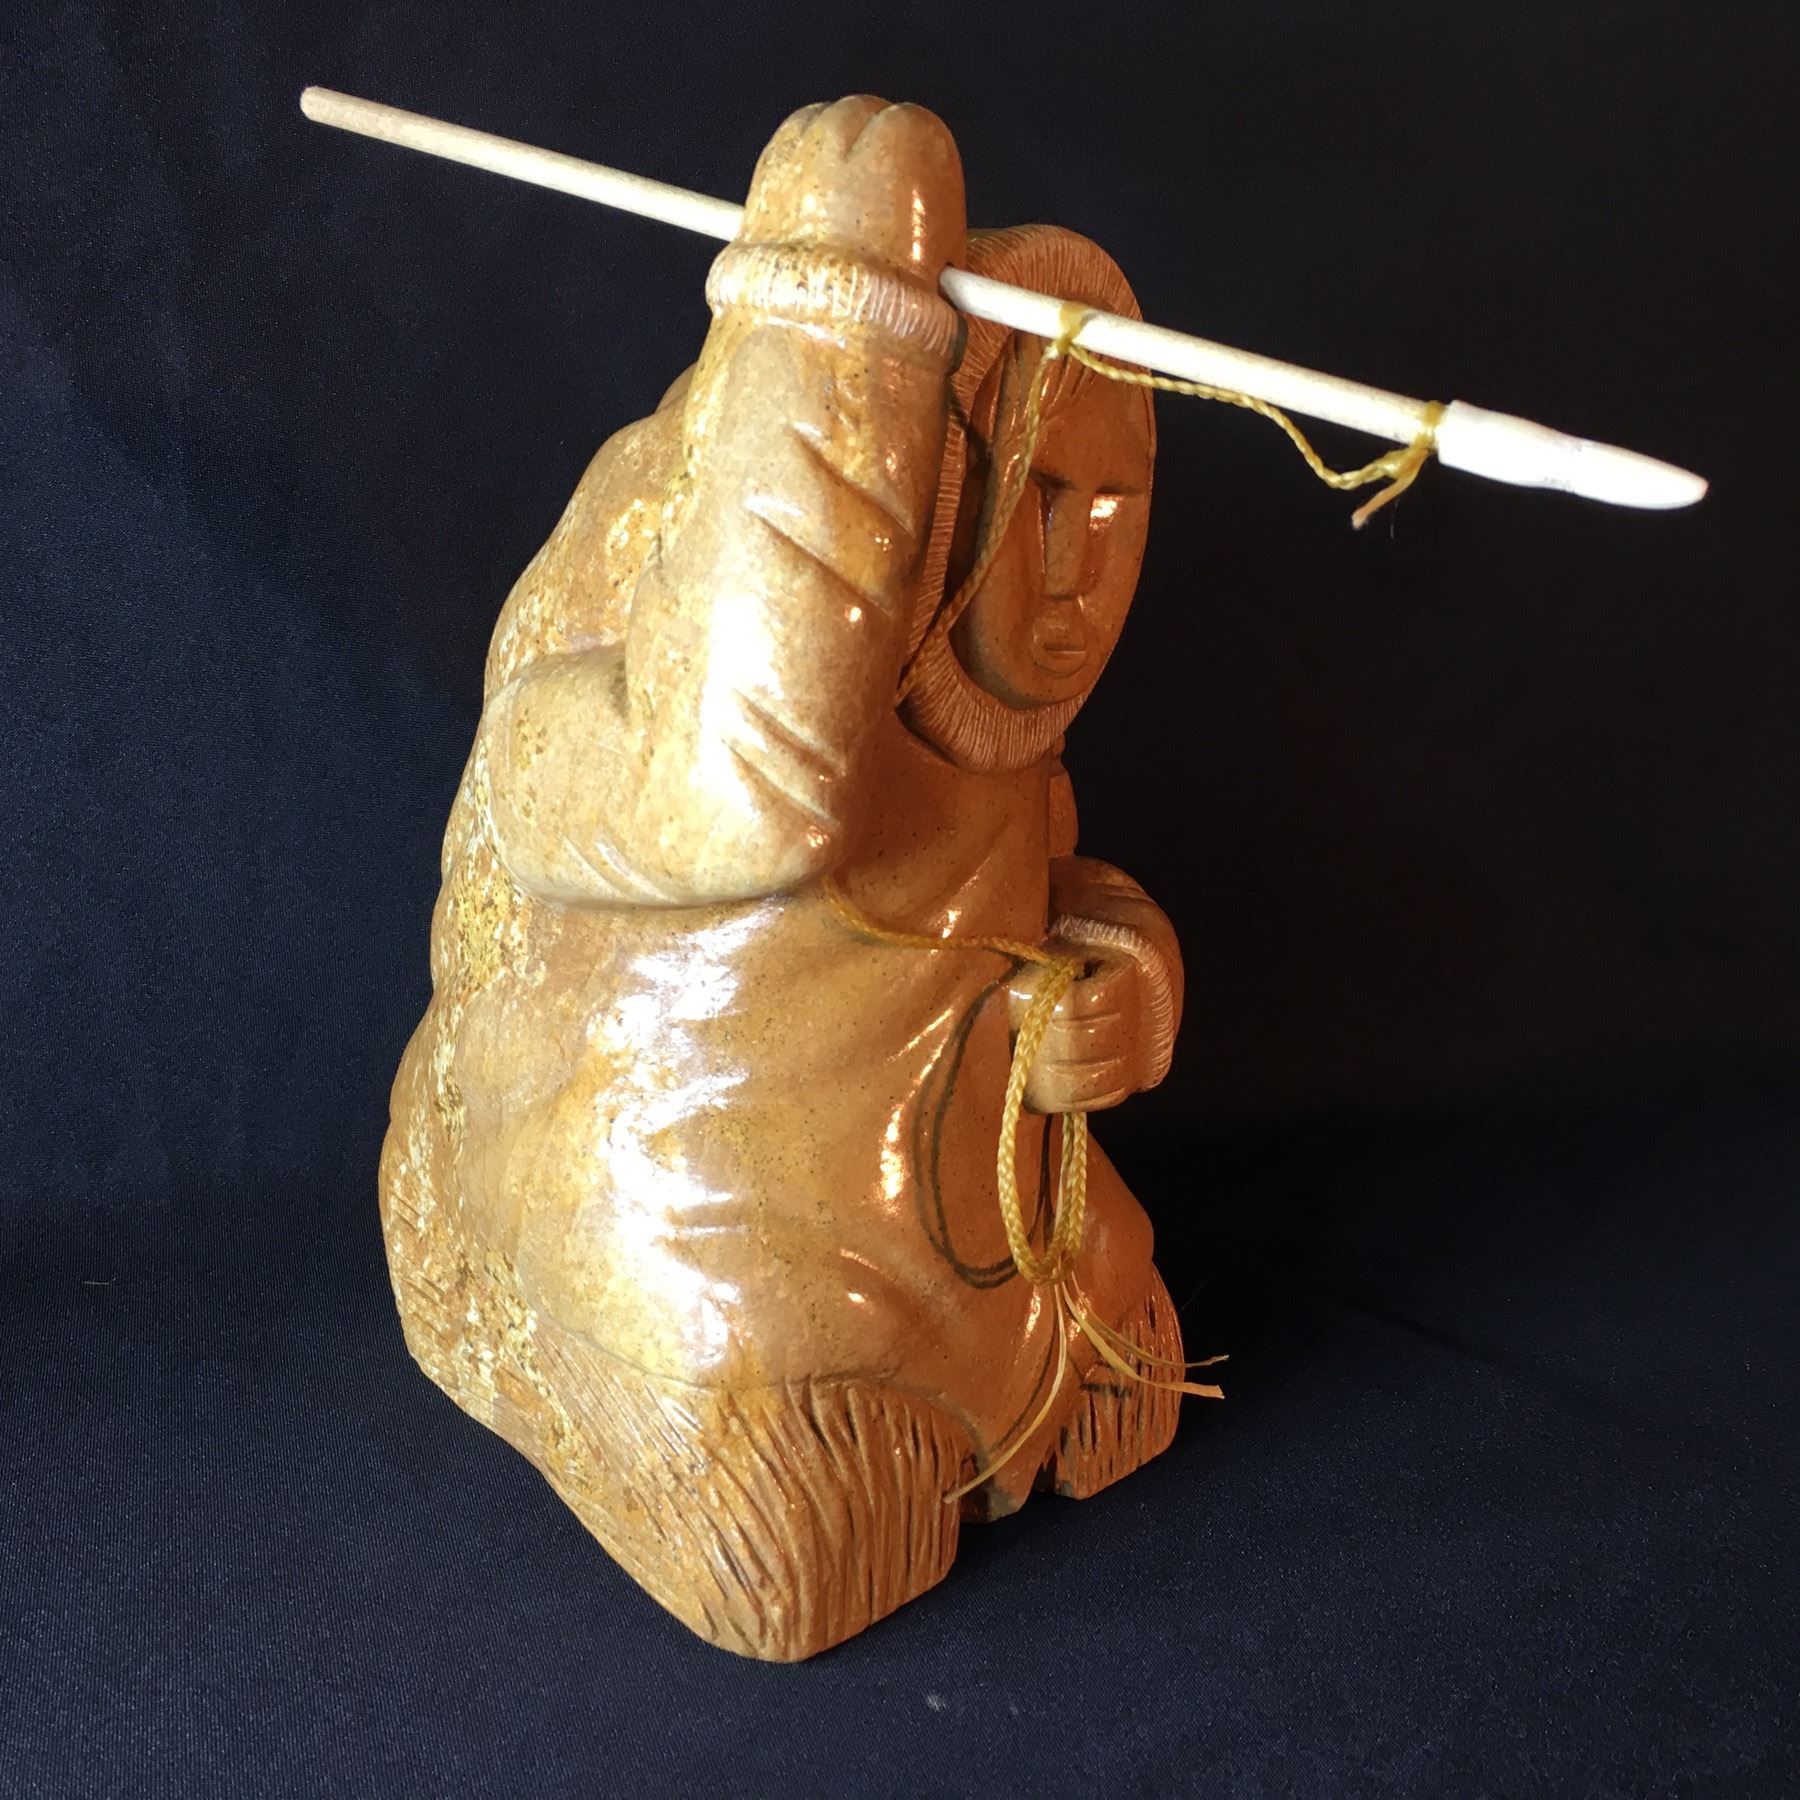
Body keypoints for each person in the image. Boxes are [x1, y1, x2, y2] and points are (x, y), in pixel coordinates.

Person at [380, 95, 1187, 1661]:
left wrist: (1123, 988)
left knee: (1129, 1366)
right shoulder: (595, 673)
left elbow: (1048, 894)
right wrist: (843, 312)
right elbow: (734, 794)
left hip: (977, 1220)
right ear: (936, 487)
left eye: (1113, 508)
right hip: (700, 1217)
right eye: (1033, 503)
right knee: (811, 1532)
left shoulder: (1001, 737)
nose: (1077, 571)